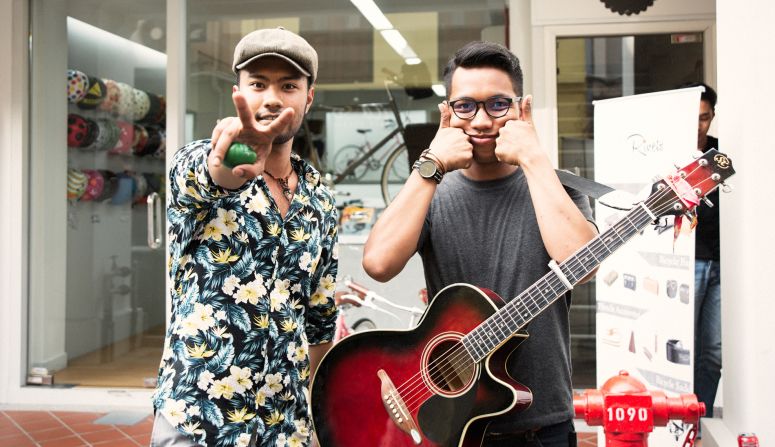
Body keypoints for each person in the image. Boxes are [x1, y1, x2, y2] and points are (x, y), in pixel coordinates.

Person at [362, 41, 598, 446]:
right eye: (465, 106)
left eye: (498, 105)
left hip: (543, 425)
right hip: (452, 423)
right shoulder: (430, 190)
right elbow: (379, 264)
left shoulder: (557, 187)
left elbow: (584, 266)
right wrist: (429, 167)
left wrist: (535, 159)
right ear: (447, 113)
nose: (482, 121)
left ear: (521, 109)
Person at [151, 27, 339, 447]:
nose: (271, 98)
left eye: (288, 85)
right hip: (199, 416)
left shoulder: (320, 200)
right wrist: (228, 164)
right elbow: (208, 176)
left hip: (286, 424)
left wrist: (317, 414)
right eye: (258, 84)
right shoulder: (198, 161)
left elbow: (319, 319)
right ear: (238, 91)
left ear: (308, 97)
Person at [687, 82, 722, 419]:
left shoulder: (720, 154)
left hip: (722, 262)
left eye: (705, 117)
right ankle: (680, 422)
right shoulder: (673, 154)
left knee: (713, 350)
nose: (699, 124)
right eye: (693, 116)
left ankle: (702, 418)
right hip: (686, 262)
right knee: (683, 346)